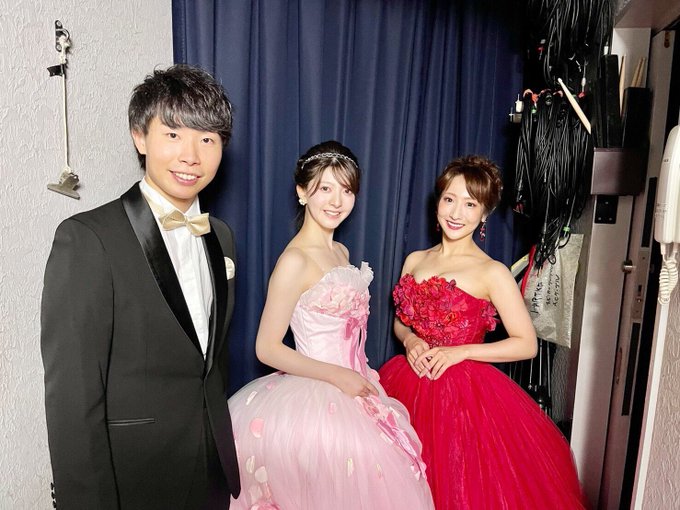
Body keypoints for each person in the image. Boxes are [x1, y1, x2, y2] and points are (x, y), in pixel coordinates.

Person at [41, 65, 240, 509]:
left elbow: (211, 363)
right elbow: (73, 396)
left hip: (211, 472)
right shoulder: (88, 239)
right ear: (140, 136)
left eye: (207, 139)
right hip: (133, 481)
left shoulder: (222, 237)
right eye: (173, 134)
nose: (191, 155)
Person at [227, 141, 434, 510]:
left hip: (358, 387)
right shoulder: (295, 260)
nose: (337, 201)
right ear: (302, 192)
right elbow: (267, 347)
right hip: (317, 396)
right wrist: (339, 377)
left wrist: (353, 379)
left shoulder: (341, 252)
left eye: (347, 190)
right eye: (325, 188)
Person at [378, 155, 587, 509]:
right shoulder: (415, 259)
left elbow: (526, 344)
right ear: (438, 201)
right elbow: (401, 321)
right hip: (406, 381)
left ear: (485, 214)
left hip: (462, 396)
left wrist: (461, 351)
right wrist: (410, 339)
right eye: (450, 199)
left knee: (455, 486)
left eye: (470, 204)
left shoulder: (492, 272)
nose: (456, 213)